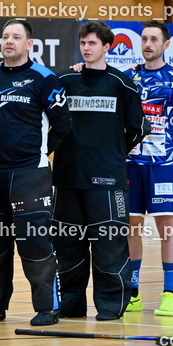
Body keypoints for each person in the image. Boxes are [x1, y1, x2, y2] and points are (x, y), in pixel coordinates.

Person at [0, 18, 71, 327]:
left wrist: (38, 153)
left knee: (35, 242)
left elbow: (63, 125)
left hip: (30, 174)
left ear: (29, 44)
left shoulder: (45, 79)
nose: (9, 41)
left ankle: (47, 307)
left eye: (16, 37)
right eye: (5, 37)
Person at [54, 21, 149, 321]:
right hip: (68, 178)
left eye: (92, 43)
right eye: (83, 42)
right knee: (69, 246)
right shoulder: (65, 80)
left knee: (109, 245)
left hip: (108, 180)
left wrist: (114, 153)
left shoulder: (121, 83)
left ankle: (110, 306)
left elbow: (138, 128)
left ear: (107, 47)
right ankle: (71, 305)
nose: (86, 48)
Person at [125, 20, 173, 316]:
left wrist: (167, 144)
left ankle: (169, 293)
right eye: (144, 39)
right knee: (132, 228)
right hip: (130, 165)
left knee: (167, 228)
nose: (147, 44)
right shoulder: (128, 77)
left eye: (154, 39)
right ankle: (133, 293)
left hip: (163, 167)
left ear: (166, 45)